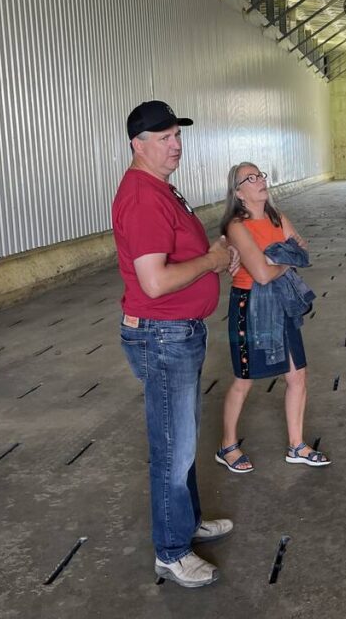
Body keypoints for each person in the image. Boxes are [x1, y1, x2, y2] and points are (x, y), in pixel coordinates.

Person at [112, 100, 240, 588]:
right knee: (172, 447)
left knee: (182, 439)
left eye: (177, 136)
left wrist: (213, 254)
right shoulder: (143, 196)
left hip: (177, 331)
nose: (176, 145)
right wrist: (210, 263)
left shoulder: (162, 188)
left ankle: (185, 524)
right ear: (137, 145)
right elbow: (154, 282)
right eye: (164, 138)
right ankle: (171, 550)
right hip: (162, 333)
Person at [215, 162, 330, 473]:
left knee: (297, 375)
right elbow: (263, 276)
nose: (259, 181)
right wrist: (282, 260)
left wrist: (274, 258)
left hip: (280, 304)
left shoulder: (276, 217)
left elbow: (301, 252)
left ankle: (297, 445)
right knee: (244, 380)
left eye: (260, 175)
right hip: (251, 306)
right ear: (238, 193)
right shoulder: (236, 227)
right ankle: (227, 446)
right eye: (249, 179)